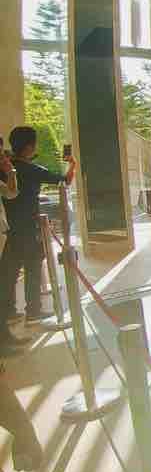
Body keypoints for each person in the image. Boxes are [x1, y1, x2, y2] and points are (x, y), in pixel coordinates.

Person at [0, 127, 75, 350]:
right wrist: (72, 164)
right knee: (32, 266)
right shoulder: (32, 170)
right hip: (29, 227)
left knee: (9, 273)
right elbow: (64, 181)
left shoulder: (7, 168)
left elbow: (11, 193)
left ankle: (10, 311)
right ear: (29, 146)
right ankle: (33, 311)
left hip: (11, 228)